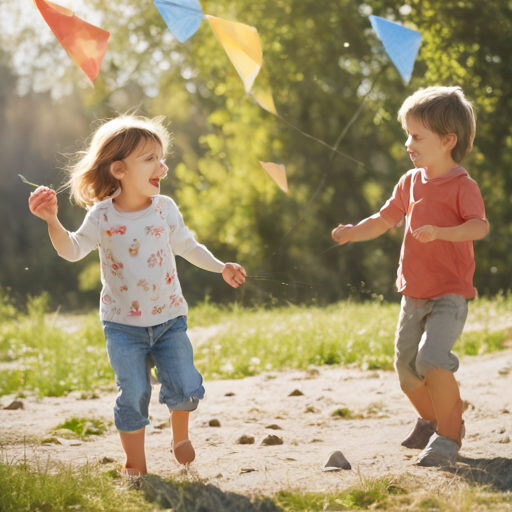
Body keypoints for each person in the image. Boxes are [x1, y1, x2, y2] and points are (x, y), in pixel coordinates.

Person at [28, 115, 246, 475]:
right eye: (151, 159)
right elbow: (72, 250)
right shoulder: (101, 217)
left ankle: (179, 438)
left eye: (162, 158)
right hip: (122, 326)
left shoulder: (165, 209)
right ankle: (136, 463)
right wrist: (52, 220)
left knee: (185, 383)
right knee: (133, 394)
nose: (163, 166)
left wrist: (221, 266)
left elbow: (188, 246)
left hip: (169, 319)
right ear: (119, 170)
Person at [332, 86, 489, 466]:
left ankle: (450, 434)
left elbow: (479, 227)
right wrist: (355, 231)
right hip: (413, 293)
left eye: (417, 136)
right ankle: (433, 417)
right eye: (408, 134)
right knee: (405, 370)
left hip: (449, 294)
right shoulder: (410, 181)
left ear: (447, 140)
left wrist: (443, 233)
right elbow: (385, 219)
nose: (408, 143)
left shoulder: (461, 185)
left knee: (431, 359)